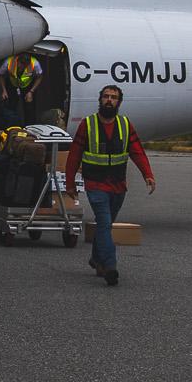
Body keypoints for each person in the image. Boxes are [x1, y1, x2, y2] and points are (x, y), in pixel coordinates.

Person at [61, 84, 155, 286]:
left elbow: (137, 151)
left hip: (118, 185)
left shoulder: (125, 124)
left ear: (119, 102)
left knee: (105, 225)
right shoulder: (87, 125)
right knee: (104, 223)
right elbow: (74, 156)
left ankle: (96, 259)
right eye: (106, 96)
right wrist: (70, 184)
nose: (109, 100)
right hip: (95, 184)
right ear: (100, 99)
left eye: (113, 97)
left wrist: (147, 174)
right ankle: (110, 266)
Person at [0, 53, 42, 128]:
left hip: (28, 86)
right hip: (12, 84)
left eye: (24, 67)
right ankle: (10, 130)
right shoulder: (8, 62)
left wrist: (31, 91)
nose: (21, 69)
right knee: (11, 108)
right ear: (17, 61)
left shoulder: (35, 64)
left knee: (30, 109)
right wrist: (4, 90)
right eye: (20, 66)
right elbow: (0, 74)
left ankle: (29, 130)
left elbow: (39, 77)